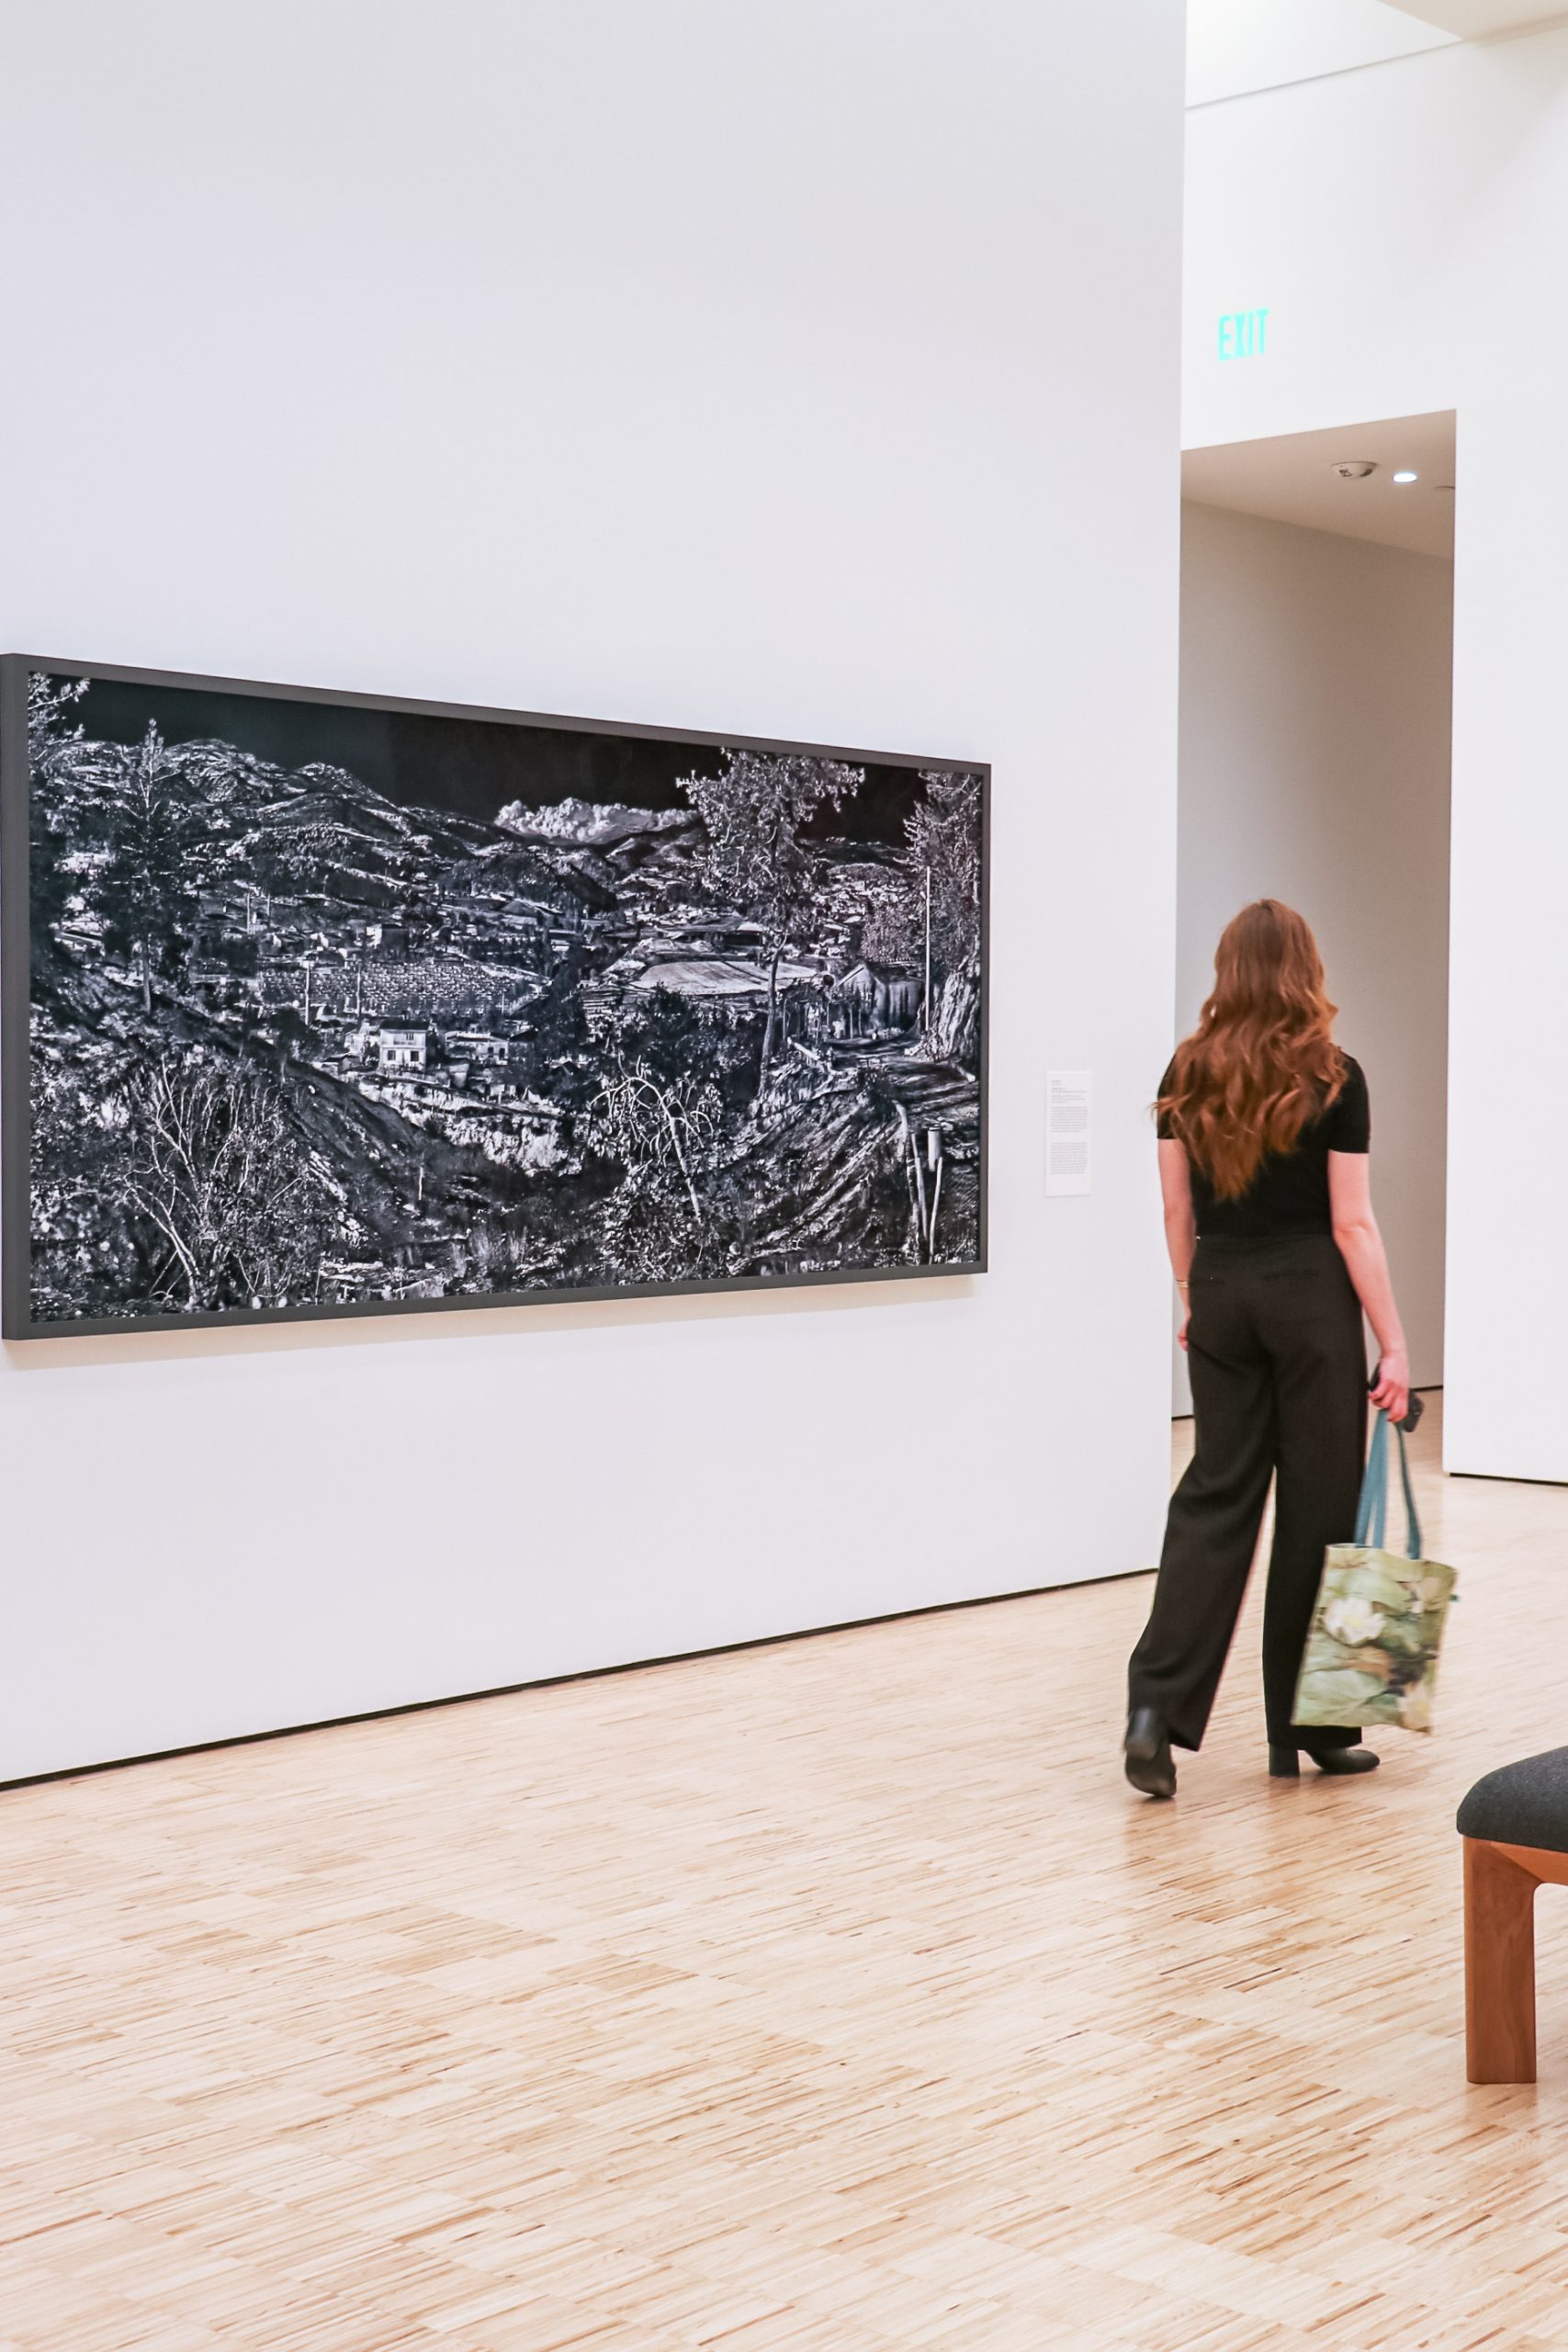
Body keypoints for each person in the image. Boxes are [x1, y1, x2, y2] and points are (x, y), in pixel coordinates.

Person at [1124, 899, 1410, 1800]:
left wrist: (1191, 1296)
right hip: (1309, 1298)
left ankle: (1154, 1714)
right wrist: (1395, 1343)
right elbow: (1352, 1222)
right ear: (1305, 970)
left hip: (1219, 1286)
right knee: (1320, 1505)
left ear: (1227, 972)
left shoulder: (1186, 1068)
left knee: (1216, 1492)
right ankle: (1315, 1727)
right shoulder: (1336, 1073)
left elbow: (1176, 1210)